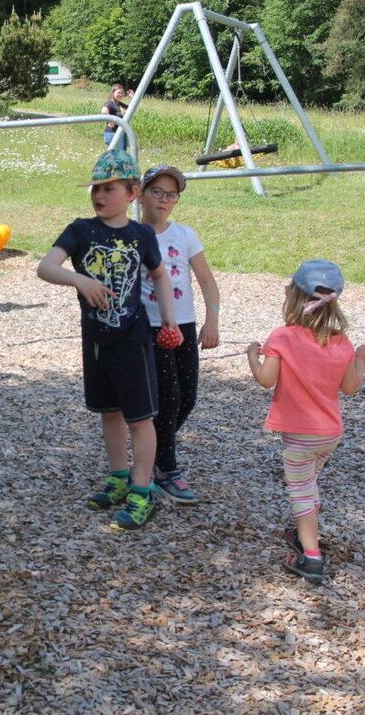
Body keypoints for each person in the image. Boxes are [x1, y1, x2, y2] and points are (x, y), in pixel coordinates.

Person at [37, 150, 180, 531]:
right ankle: (119, 477)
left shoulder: (141, 234)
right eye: (95, 188)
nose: (99, 195)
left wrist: (168, 317)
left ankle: (143, 489)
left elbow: (160, 275)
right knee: (110, 412)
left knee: (140, 418)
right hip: (97, 341)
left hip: (133, 343)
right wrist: (79, 279)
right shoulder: (81, 230)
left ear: (133, 192)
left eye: (109, 188)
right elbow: (46, 267)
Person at [246, 260, 365, 584]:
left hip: (299, 435)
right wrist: (359, 359)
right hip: (329, 433)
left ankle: (311, 557)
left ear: (294, 297)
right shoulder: (342, 342)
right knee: (308, 484)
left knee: (301, 492)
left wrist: (252, 355)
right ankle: (305, 531)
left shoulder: (282, 337)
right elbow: (350, 387)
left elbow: (265, 379)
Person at [138, 164, 220, 504]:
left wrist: (211, 320)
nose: (164, 199)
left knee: (187, 397)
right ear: (141, 194)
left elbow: (207, 282)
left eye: (171, 194)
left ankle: (151, 456)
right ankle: (167, 471)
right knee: (168, 398)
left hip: (183, 326)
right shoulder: (131, 233)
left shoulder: (185, 235)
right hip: (149, 327)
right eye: (157, 191)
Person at [101, 83, 127, 150]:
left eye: (122, 93)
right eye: (118, 93)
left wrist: (134, 97)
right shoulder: (110, 103)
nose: (120, 95)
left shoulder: (120, 104)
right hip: (112, 133)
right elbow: (104, 111)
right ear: (113, 93)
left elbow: (132, 108)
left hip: (121, 133)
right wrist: (109, 120)